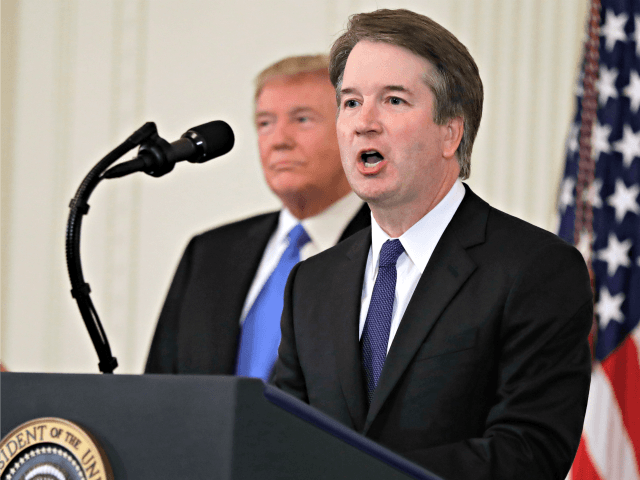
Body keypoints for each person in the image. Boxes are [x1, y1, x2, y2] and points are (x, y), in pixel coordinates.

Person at [273, 9, 592, 480]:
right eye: (351, 102)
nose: (364, 123)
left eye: (394, 101)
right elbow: (281, 440)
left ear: (451, 131)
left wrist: (363, 474)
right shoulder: (312, 283)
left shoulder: (536, 268)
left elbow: (529, 452)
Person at [145, 55, 370, 379]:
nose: (279, 140)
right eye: (265, 123)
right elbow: (159, 388)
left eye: (302, 119)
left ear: (353, 132)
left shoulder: (388, 248)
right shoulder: (209, 253)